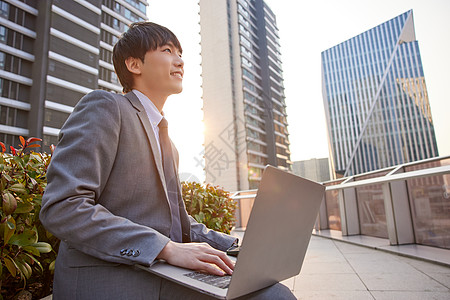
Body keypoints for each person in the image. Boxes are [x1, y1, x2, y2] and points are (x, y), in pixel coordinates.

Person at [40, 22, 295, 299]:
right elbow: (64, 207)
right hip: (112, 277)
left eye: (180, 53)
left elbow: (178, 223)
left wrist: (236, 246)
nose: (180, 60)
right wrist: (165, 248)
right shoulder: (106, 107)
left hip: (160, 272)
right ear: (134, 64)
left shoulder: (168, 142)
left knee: (267, 288)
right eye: (167, 50)